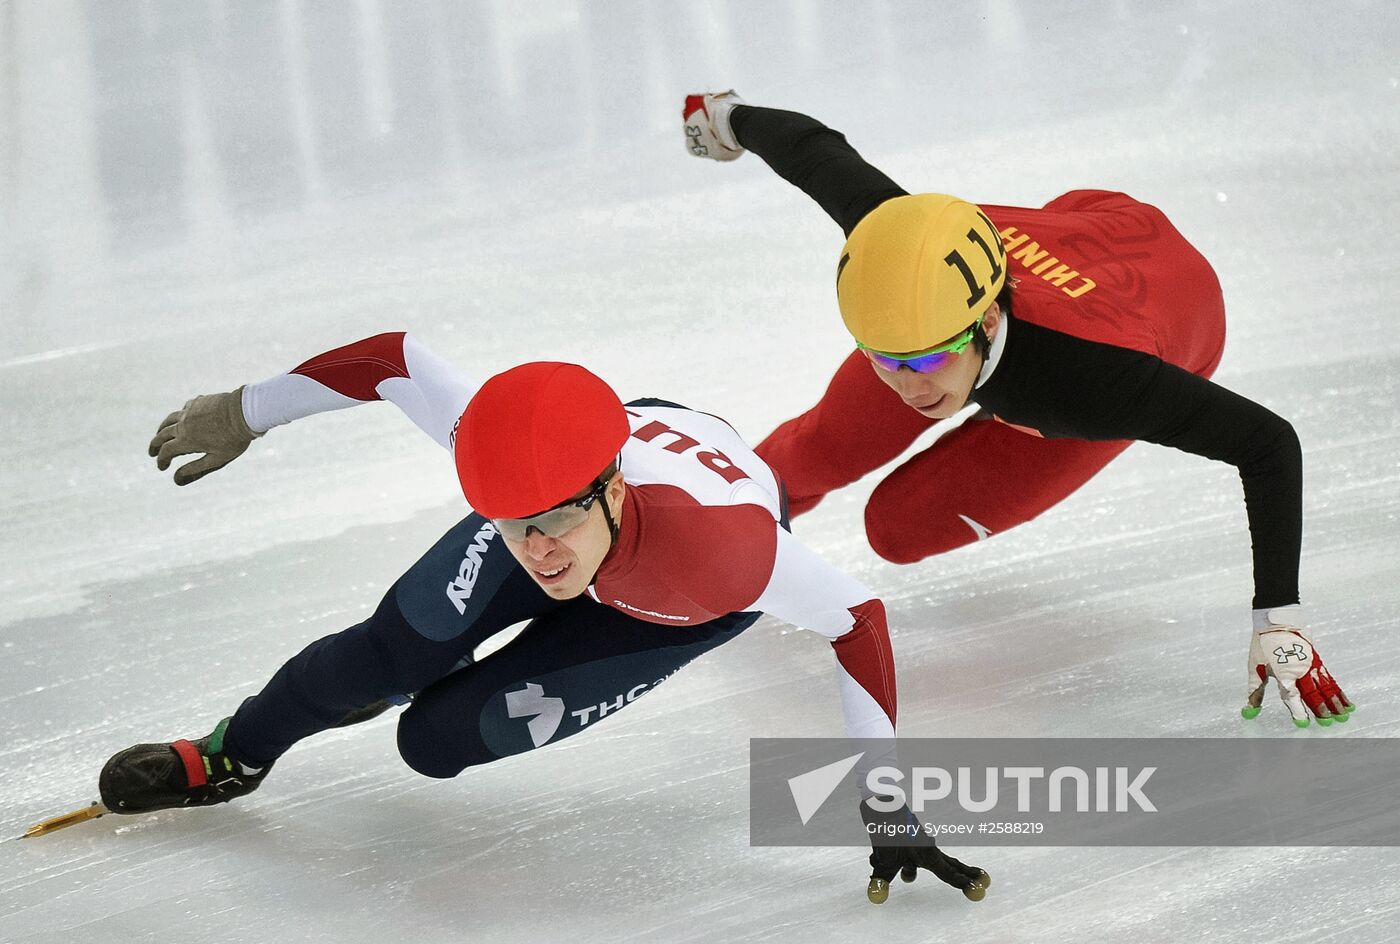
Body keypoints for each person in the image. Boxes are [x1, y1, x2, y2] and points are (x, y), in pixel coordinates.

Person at [99, 331, 987, 904]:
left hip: (666, 600)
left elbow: (856, 619)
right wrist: (245, 411)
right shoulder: (516, 474)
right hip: (594, 486)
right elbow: (390, 362)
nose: (537, 550)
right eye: (512, 524)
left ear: (611, 488)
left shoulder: (725, 557)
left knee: (432, 742)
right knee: (385, 655)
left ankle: (427, 672)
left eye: (556, 521)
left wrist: (885, 798)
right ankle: (233, 753)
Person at [682, 92, 1352, 728]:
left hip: (1144, 323)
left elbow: (1268, 443)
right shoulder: (906, 256)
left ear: (986, 319)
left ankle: (986, 403)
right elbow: (811, 149)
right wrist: (724, 115)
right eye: (884, 359)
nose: (908, 386)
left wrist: (1278, 617)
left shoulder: (1098, 386)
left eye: (927, 361)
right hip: (1064, 248)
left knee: (897, 529)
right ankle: (702, 528)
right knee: (815, 450)